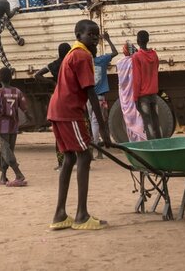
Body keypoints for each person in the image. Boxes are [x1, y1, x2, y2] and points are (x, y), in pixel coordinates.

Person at [48, 19, 111, 231]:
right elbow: (90, 91)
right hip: (68, 111)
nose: (94, 38)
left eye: (97, 34)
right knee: (85, 155)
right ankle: (82, 215)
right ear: (78, 35)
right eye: (90, 34)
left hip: (59, 110)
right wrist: (103, 129)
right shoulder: (82, 55)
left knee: (69, 158)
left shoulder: (73, 53)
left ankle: (60, 214)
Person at [35, 42, 71, 169]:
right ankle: (78, 160)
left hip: (57, 98)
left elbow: (37, 75)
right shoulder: (70, 63)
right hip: (71, 97)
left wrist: (51, 82)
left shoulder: (54, 64)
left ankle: (61, 163)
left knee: (59, 132)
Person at [89, 32, 118, 159]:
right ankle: (97, 150)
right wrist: (108, 39)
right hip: (100, 97)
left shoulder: (86, 62)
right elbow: (115, 52)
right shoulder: (102, 60)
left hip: (88, 98)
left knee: (93, 123)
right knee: (98, 123)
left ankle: (97, 150)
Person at [132, 30, 161, 140]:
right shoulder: (154, 54)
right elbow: (156, 68)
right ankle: (160, 145)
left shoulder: (136, 57)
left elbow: (137, 79)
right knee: (156, 122)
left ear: (137, 41)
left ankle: (152, 146)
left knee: (147, 122)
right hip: (153, 93)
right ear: (148, 40)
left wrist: (135, 97)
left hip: (143, 95)